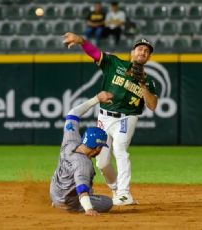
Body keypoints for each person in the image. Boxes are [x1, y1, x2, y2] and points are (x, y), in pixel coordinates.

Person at [62, 32, 158, 206]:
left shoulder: (149, 81)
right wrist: (82, 41)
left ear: (149, 57)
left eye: (146, 51)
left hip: (127, 117)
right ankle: (115, 189)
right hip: (105, 117)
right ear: (132, 51)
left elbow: (152, 106)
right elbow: (95, 53)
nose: (142, 52)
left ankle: (124, 193)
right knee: (102, 161)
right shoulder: (114, 63)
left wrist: (142, 85)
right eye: (140, 49)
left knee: (120, 150)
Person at [50, 91, 114, 216]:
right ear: (96, 148)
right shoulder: (83, 163)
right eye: (101, 147)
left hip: (54, 193)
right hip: (67, 202)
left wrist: (96, 99)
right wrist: (89, 209)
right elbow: (81, 188)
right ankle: (68, 207)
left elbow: (73, 113)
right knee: (107, 202)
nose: (101, 150)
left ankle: (56, 201)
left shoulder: (70, 140)